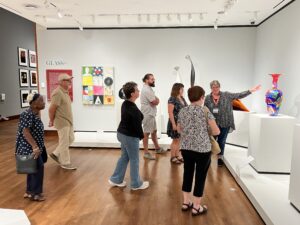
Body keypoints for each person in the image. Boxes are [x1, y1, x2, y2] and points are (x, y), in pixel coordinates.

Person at [177, 86, 220, 216]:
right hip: (203, 150)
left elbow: (179, 129)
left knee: (187, 174)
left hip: (186, 148)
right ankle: (196, 207)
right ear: (201, 97)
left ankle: (186, 202)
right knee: (200, 177)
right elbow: (216, 131)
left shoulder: (183, 111)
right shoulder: (205, 111)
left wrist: (190, 132)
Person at [204, 80, 261, 166]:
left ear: (219, 87)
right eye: (213, 87)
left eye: (217, 87)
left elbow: (239, 95)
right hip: (213, 124)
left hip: (225, 122)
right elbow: (205, 110)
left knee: (222, 140)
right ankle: (208, 157)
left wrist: (250, 91)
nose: (215, 88)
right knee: (211, 141)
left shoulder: (226, 95)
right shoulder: (207, 98)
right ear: (211, 88)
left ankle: (220, 157)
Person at [109, 82, 149, 190]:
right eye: (137, 90)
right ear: (132, 94)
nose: (138, 91)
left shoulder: (126, 103)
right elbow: (137, 126)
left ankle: (115, 179)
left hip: (122, 134)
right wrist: (141, 136)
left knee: (125, 157)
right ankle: (136, 184)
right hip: (129, 136)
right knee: (134, 159)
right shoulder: (131, 107)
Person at [16, 93, 47, 201]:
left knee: (31, 169)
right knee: (38, 168)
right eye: (41, 101)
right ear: (34, 104)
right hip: (28, 147)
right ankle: (36, 194)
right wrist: (35, 147)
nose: (44, 103)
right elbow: (25, 131)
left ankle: (29, 191)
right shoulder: (27, 114)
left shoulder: (35, 113)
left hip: (34, 146)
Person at [48, 73, 76, 170]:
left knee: (71, 139)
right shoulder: (57, 93)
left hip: (68, 121)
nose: (70, 82)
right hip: (61, 121)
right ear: (62, 81)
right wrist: (51, 121)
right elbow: (51, 109)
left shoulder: (65, 92)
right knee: (64, 142)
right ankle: (65, 163)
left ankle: (55, 154)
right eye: (68, 80)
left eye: (70, 80)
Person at [140, 73, 166, 160]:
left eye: (153, 79)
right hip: (148, 114)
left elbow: (155, 100)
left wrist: (156, 100)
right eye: (151, 79)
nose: (153, 80)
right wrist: (156, 100)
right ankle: (146, 153)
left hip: (151, 113)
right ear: (146, 80)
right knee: (146, 133)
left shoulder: (149, 89)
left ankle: (157, 148)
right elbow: (155, 101)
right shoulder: (146, 90)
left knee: (154, 131)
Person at [167, 83, 187, 164]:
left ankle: (177, 155)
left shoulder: (182, 98)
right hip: (174, 122)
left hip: (182, 123)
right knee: (175, 140)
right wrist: (173, 124)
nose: (182, 90)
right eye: (181, 89)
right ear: (177, 89)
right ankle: (172, 157)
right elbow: (170, 112)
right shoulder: (172, 98)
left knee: (179, 140)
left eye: (183, 89)